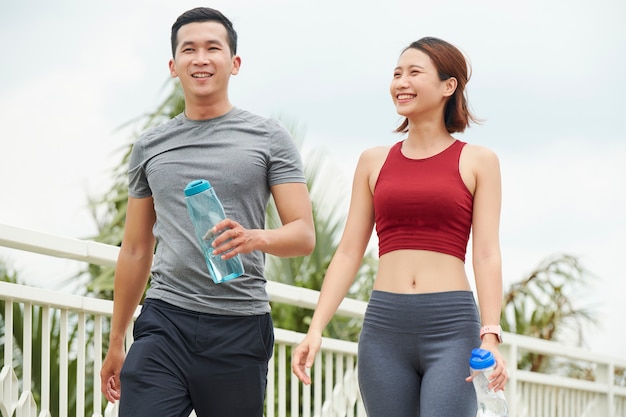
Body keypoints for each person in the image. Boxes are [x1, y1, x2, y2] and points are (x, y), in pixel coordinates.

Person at [99, 7, 315, 417]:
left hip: (240, 325)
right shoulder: (151, 146)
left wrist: (255, 237)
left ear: (234, 63)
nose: (200, 58)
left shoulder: (268, 137)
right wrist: (116, 341)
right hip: (165, 320)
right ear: (173, 65)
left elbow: (304, 235)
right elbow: (135, 249)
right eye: (189, 49)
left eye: (213, 48)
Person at [292, 37, 508, 417]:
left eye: (414, 73)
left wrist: (490, 335)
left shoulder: (478, 161)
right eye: (396, 74)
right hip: (384, 330)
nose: (401, 82)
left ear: (448, 86)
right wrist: (316, 328)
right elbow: (347, 252)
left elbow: (487, 253)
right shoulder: (373, 162)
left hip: (452, 328)